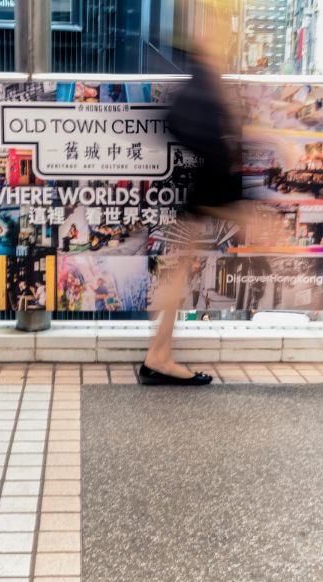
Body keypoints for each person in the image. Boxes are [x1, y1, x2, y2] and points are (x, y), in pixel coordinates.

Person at [138, 0, 245, 386]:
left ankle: (158, 356)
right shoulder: (206, 72)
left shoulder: (205, 71)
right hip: (216, 184)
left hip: (209, 184)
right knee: (279, 238)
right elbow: (202, 128)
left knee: (179, 268)